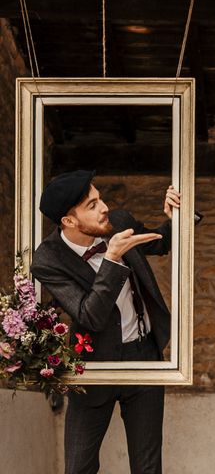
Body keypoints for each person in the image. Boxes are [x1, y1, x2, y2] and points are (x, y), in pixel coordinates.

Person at [30, 170, 181, 474]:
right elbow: (90, 316)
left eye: (99, 199)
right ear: (68, 221)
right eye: (92, 205)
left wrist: (178, 216)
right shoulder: (48, 260)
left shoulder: (119, 222)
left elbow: (160, 242)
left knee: (148, 467)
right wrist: (111, 260)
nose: (104, 208)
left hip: (143, 356)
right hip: (92, 366)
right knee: (79, 467)